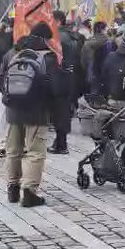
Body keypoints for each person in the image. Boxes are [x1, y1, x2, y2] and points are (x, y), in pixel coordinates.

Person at [0, 21, 58, 207]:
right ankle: (29, 192)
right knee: (36, 151)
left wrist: (10, 98)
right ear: (45, 38)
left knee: (13, 149)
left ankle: (12, 188)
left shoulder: (13, 53)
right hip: (37, 112)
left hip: (14, 111)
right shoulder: (48, 57)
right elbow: (53, 87)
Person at [48, 9, 78, 154]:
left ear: (58, 21)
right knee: (63, 112)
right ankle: (60, 142)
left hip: (59, 78)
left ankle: (61, 144)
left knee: (59, 113)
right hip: (69, 78)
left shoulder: (59, 37)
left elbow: (55, 59)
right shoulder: (71, 36)